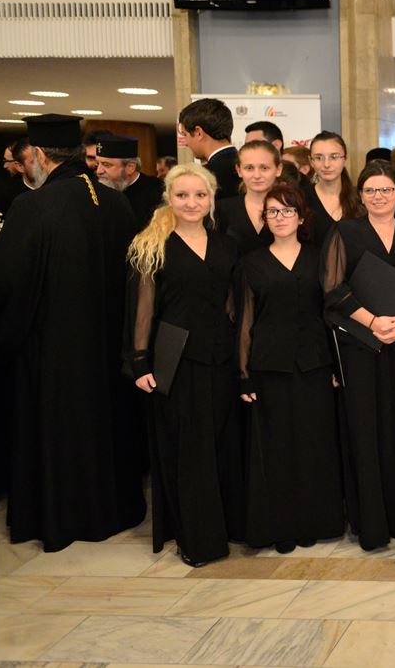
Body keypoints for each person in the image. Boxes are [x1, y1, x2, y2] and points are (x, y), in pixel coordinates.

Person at [0, 113, 145, 551]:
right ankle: (111, 509)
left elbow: (5, 283)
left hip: (53, 352)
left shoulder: (34, 206)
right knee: (107, 426)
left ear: (39, 155)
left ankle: (62, 517)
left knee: (59, 433)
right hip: (109, 347)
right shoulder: (116, 203)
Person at [127, 163, 243, 567]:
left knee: (222, 445)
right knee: (189, 450)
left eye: (199, 195)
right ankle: (197, 539)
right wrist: (139, 362)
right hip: (176, 361)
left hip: (222, 358)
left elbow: (233, 304)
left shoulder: (227, 245)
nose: (191, 203)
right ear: (168, 198)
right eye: (182, 195)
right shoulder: (151, 244)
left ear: (211, 199)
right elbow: (143, 310)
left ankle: (227, 526)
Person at [323, 160, 395, 548]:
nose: (378, 196)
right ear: (360, 195)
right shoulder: (345, 231)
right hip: (360, 345)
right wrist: (373, 322)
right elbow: (333, 288)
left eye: (386, 189)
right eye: (371, 190)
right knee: (366, 428)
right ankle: (372, 522)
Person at [238, 182, 343, 554]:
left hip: (315, 364)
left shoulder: (320, 257)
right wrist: (244, 375)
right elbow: (245, 321)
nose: (280, 217)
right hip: (270, 367)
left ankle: (315, 522)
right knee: (277, 449)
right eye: (273, 212)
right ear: (264, 218)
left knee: (315, 445)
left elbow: (332, 314)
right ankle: (281, 526)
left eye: (287, 211)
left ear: (301, 217)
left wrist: (336, 365)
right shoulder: (251, 262)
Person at [215, 140, 282, 257]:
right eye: (249, 168)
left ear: (278, 169)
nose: (257, 175)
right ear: (239, 170)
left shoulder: (291, 209)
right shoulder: (221, 208)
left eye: (264, 168)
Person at [94, 134, 165, 233]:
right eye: (97, 164)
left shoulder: (158, 191)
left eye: (106, 165)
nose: (99, 171)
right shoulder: (95, 190)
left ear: (130, 167)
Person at [304, 132, 357, 248]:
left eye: (334, 157)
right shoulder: (302, 199)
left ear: (345, 159)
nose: (326, 164)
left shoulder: (360, 198)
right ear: (311, 161)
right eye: (319, 158)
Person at [179, 98, 238, 198]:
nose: (186, 143)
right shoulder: (247, 167)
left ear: (198, 132)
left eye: (185, 134)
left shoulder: (203, 177)